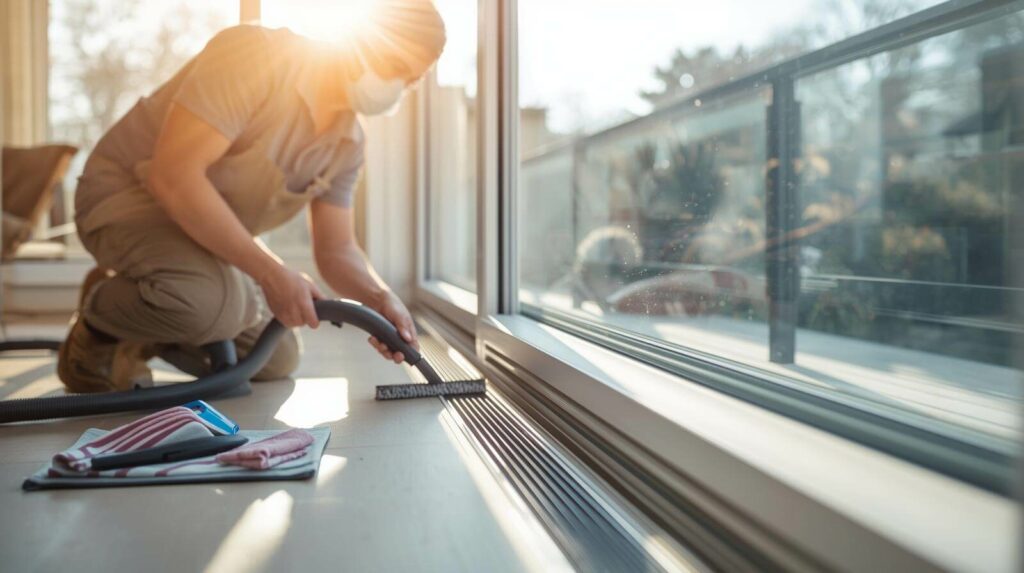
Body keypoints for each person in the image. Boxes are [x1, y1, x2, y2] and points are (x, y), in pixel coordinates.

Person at [57, 0, 446, 392]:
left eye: (409, 80)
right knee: (213, 307)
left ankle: (149, 303)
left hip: (198, 236)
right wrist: (272, 272)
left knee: (275, 358)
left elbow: (337, 250)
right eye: (397, 67)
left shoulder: (347, 144)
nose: (396, 86)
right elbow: (174, 177)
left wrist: (379, 299)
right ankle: (100, 320)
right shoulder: (257, 56)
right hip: (125, 199)